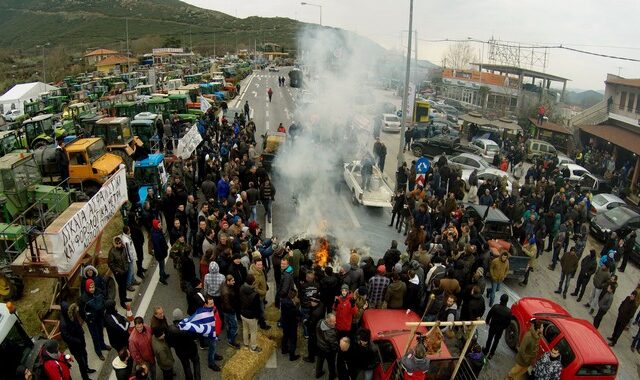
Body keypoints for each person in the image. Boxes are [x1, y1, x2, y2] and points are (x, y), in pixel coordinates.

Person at [59, 302, 94, 380]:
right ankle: (85, 377)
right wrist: (77, 341)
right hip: (75, 347)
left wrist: (81, 331)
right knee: (81, 363)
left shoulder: (71, 314)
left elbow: (77, 323)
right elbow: (66, 337)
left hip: (81, 341)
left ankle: (87, 368)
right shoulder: (63, 324)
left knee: (85, 356)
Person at [81, 278, 111, 361]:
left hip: (100, 317)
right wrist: (88, 319)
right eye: (90, 287)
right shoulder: (84, 298)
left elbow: (103, 300)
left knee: (101, 332)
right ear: (87, 288)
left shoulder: (98, 291)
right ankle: (98, 352)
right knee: (95, 337)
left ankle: (103, 345)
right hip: (91, 321)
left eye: (93, 287)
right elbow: (82, 312)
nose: (92, 289)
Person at [166, 308, 200, 380]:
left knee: (186, 366)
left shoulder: (170, 329)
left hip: (181, 352)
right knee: (196, 363)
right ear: (182, 316)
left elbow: (170, 342)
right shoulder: (189, 326)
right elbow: (196, 336)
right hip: (192, 349)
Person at [483, 294, 511, 359]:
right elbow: (508, 322)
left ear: (500, 299)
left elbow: (489, 315)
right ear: (507, 301)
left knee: (489, 338)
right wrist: (504, 327)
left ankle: (486, 350)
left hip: (493, 326)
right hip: (500, 329)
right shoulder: (508, 311)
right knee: (496, 341)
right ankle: (491, 354)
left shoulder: (495, 307)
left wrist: (487, 321)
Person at [240, 274, 263, 353]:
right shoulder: (254, 295)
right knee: (253, 332)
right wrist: (258, 316)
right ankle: (253, 347)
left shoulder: (241, 288)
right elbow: (257, 308)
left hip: (243, 313)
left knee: (245, 329)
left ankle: (246, 344)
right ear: (252, 282)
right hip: (251, 316)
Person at [108, 236, 132, 308]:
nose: (119, 244)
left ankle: (124, 298)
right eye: (117, 243)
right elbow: (110, 263)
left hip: (125, 270)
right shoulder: (112, 252)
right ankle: (122, 302)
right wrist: (117, 271)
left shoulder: (123, 248)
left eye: (120, 242)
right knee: (121, 287)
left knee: (124, 286)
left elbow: (125, 257)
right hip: (118, 273)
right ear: (114, 243)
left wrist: (127, 266)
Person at [220, 274, 241, 348]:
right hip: (229, 311)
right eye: (232, 281)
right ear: (228, 281)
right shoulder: (226, 292)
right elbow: (227, 304)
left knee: (228, 325)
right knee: (234, 326)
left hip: (224, 310)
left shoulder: (224, 284)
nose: (234, 282)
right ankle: (232, 341)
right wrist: (234, 310)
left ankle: (229, 337)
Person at [316, 313, 339, 379]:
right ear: (328, 321)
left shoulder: (320, 322)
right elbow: (334, 345)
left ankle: (318, 373)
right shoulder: (331, 332)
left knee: (320, 360)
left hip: (320, 346)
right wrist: (336, 350)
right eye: (333, 321)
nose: (335, 322)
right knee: (331, 364)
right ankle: (332, 376)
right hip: (328, 351)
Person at [281, 289, 301, 361]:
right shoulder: (292, 305)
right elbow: (297, 313)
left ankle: (284, 349)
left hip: (285, 322)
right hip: (292, 324)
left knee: (285, 336)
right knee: (293, 340)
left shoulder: (283, 301)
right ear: (293, 295)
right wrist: (297, 304)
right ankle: (292, 356)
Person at [150, 219, 170, 285]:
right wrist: (162, 253)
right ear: (156, 225)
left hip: (162, 252)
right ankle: (161, 279)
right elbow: (157, 246)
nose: (160, 225)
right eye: (159, 225)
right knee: (161, 266)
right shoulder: (155, 235)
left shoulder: (157, 230)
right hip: (160, 253)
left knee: (162, 265)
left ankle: (163, 274)